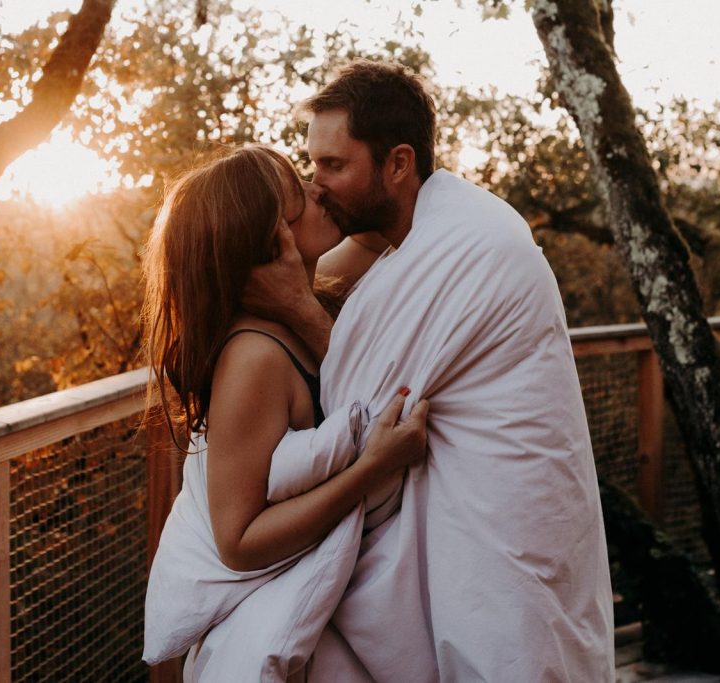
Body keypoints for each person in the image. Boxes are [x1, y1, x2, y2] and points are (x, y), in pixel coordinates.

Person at [244, 61, 616, 681]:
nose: (316, 184)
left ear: (397, 163)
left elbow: (362, 405)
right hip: (479, 525)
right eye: (313, 164)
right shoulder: (418, 234)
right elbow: (331, 272)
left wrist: (291, 304)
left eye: (334, 165)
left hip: (509, 531)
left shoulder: (466, 243)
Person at [141, 145, 429, 680]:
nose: (319, 190)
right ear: (271, 241)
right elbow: (238, 542)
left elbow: (383, 231)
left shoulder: (313, 294)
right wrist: (371, 470)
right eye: (297, 196)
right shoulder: (254, 358)